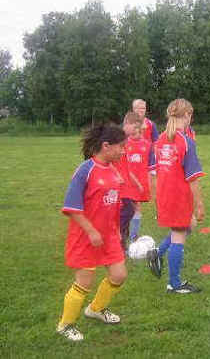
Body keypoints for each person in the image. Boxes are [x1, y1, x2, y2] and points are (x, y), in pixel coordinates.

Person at [57, 124, 128, 341]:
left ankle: (96, 309)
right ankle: (65, 325)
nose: (123, 151)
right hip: (86, 236)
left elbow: (114, 205)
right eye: (121, 146)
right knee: (84, 282)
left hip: (109, 236)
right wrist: (91, 231)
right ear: (106, 146)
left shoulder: (114, 170)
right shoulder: (85, 170)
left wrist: (116, 230)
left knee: (119, 275)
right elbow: (72, 207)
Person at [147, 98, 205, 294]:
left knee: (188, 226)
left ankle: (157, 253)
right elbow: (193, 178)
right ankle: (175, 283)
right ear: (187, 115)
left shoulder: (160, 140)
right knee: (180, 234)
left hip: (165, 194)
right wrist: (199, 204)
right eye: (191, 115)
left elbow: (156, 171)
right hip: (178, 196)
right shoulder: (186, 142)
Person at [121, 112, 155, 243]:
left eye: (137, 127)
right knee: (124, 209)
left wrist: (149, 183)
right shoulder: (123, 143)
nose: (135, 130)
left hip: (139, 182)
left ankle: (132, 237)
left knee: (135, 207)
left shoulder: (147, 145)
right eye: (133, 127)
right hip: (124, 182)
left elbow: (151, 167)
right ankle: (122, 236)